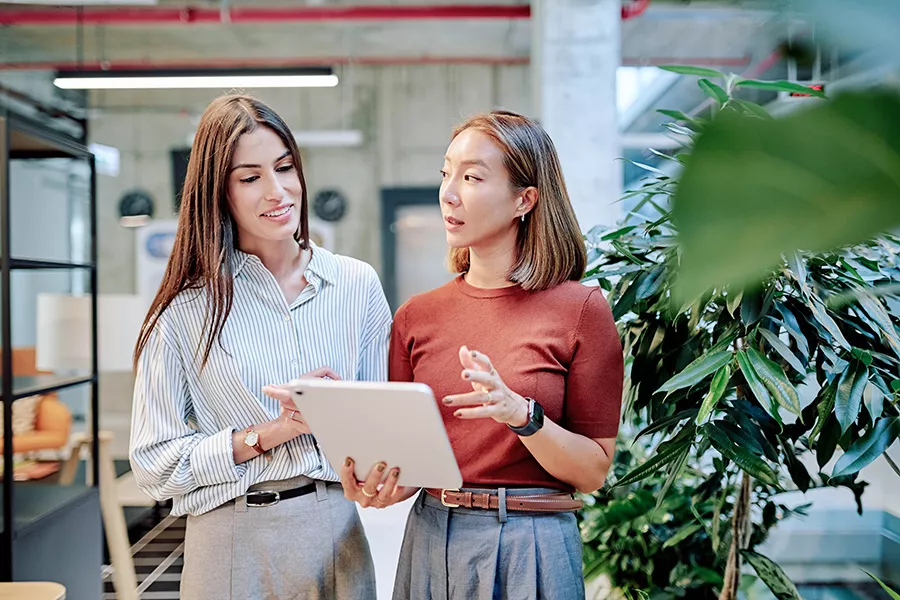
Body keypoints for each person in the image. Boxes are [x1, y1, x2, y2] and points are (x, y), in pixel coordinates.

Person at [339, 110, 624, 599]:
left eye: (471, 177)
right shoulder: (415, 317)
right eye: (446, 173)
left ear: (524, 199)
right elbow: (413, 471)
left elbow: (593, 471)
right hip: (432, 535)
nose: (449, 192)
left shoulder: (581, 310)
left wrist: (521, 415)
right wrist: (377, 485)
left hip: (531, 541)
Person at [129, 94, 390, 600]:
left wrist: (350, 419)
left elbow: (378, 438)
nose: (278, 191)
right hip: (231, 539)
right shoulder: (185, 309)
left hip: (338, 536)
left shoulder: (357, 285)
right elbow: (153, 465)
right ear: (218, 192)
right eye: (250, 178)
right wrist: (271, 432)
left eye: (285, 167)